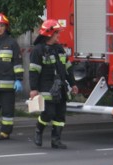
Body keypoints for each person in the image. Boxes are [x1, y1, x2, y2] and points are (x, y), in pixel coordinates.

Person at [29, 19, 78, 149]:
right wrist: (33, 89)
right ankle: (38, 130)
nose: (59, 35)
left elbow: (68, 68)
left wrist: (73, 84)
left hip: (60, 85)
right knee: (48, 112)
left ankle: (56, 140)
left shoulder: (59, 49)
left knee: (60, 115)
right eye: (57, 33)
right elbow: (33, 71)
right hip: (46, 86)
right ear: (50, 34)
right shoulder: (38, 50)